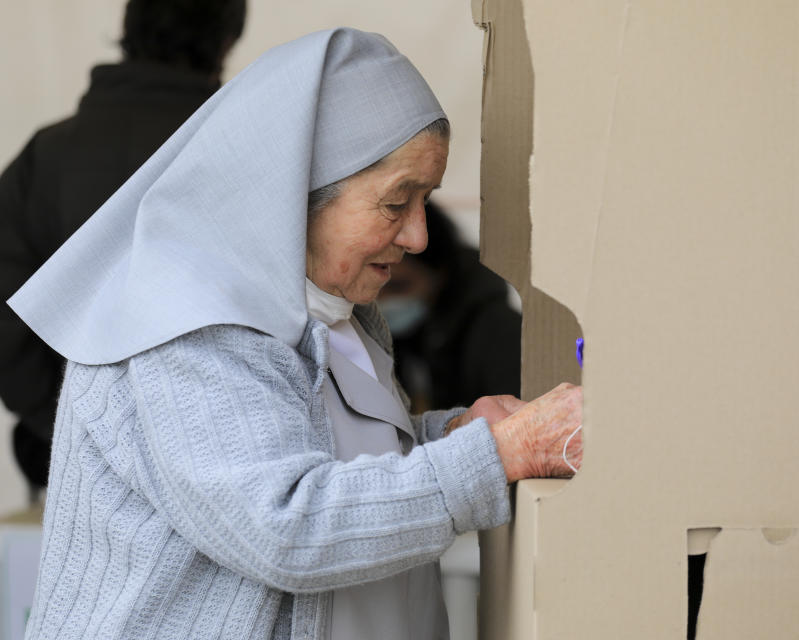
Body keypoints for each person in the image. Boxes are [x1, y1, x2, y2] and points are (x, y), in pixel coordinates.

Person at [8, 28, 582, 639]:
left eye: (426, 200)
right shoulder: (188, 326)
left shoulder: (333, 310)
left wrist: (451, 435)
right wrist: (500, 455)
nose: (419, 237)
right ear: (299, 193)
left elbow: (322, 451)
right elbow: (286, 527)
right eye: (396, 203)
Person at [0, 0, 246, 490]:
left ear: (126, 29)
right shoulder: (244, 151)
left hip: (70, 461)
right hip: (227, 463)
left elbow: (6, 318)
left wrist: (64, 419)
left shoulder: (47, 155)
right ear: (226, 41)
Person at [378, 202, 521, 413]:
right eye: (377, 287)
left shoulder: (500, 333)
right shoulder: (391, 338)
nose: (383, 301)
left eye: (399, 287)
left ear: (440, 274)